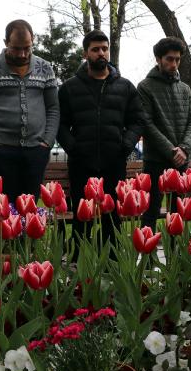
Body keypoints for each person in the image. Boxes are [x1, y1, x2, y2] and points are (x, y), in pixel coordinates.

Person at [57, 30, 145, 250]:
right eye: (95, 49)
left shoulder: (124, 86)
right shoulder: (69, 88)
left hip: (113, 162)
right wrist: (73, 147)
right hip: (81, 163)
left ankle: (112, 262)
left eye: (104, 49)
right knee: (82, 215)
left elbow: (138, 120)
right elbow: (59, 123)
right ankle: (80, 261)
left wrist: (125, 145)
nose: (101, 53)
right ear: (85, 53)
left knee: (112, 216)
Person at [0, 19, 59, 203]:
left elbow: (53, 107)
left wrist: (47, 142)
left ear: (33, 40)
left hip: (37, 151)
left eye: (27, 48)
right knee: (3, 209)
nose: (22, 54)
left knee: (29, 210)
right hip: (1, 151)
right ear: (5, 42)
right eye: (16, 48)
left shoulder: (45, 68)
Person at [138, 37, 191, 231]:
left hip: (181, 159)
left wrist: (184, 148)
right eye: (169, 59)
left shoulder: (185, 89)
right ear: (158, 59)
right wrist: (171, 150)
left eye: (177, 60)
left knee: (178, 213)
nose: (174, 64)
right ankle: (146, 259)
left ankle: (174, 257)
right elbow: (146, 124)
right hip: (156, 160)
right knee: (151, 210)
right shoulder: (145, 87)